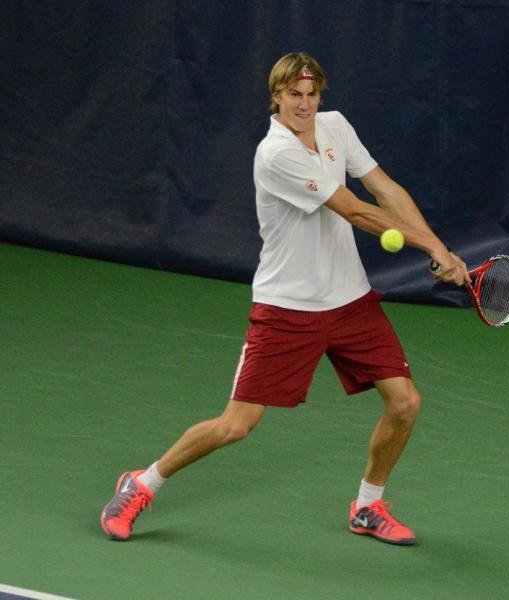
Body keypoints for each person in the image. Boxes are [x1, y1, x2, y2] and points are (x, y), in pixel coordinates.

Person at [100, 51, 469, 546]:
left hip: (349, 301)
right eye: (294, 94)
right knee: (236, 425)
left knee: (404, 402)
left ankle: (366, 507)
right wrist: (432, 246)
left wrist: (438, 248)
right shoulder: (276, 154)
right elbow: (355, 211)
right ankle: (142, 483)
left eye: (312, 94)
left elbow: (385, 188)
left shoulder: (335, 126)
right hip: (288, 308)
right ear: (275, 97)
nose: (305, 104)